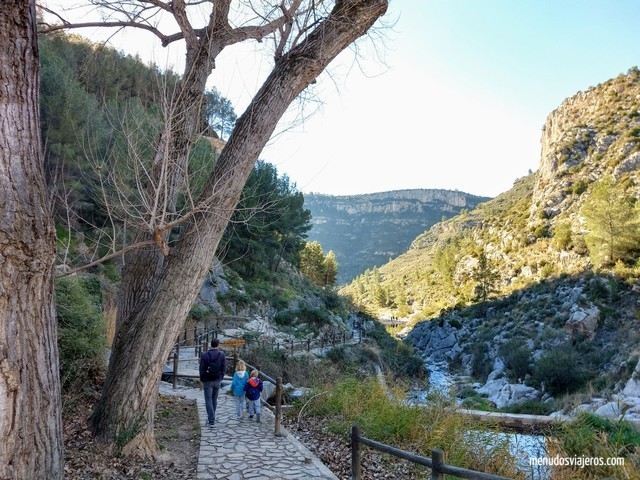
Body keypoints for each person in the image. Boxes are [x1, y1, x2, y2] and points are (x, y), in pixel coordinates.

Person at [199, 338, 227, 428]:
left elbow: (201, 369)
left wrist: (202, 379)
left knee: (208, 399)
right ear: (218, 345)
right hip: (217, 380)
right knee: (214, 399)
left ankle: (211, 420)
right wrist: (221, 378)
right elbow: (224, 368)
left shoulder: (205, 355)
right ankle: (212, 418)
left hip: (207, 380)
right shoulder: (221, 355)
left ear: (210, 345)